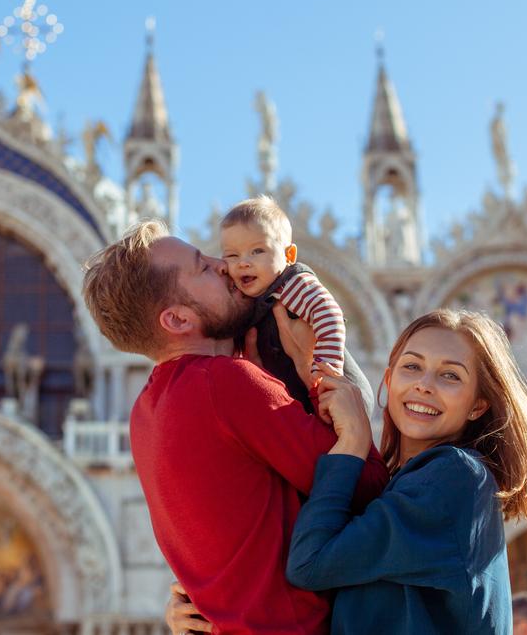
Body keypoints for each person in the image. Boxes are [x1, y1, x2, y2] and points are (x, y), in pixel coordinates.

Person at [82, 220, 389, 634]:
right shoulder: (224, 383)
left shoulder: (145, 412)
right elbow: (369, 486)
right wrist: (316, 378)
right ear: (176, 320)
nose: (224, 265)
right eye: (203, 268)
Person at [284, 309, 527, 634]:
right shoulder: (413, 479)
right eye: (412, 367)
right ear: (388, 380)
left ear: (477, 405)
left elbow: (310, 563)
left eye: (450, 375)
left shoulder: (455, 477)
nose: (424, 385)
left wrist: (354, 438)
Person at [221, 196, 374, 415]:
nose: (244, 262)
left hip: (342, 390)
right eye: (232, 255)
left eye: (258, 251)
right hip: (305, 401)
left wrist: (327, 370)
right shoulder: (251, 300)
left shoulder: (291, 284)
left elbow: (329, 314)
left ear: (288, 255)